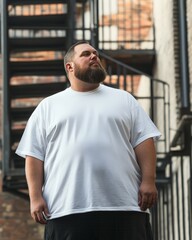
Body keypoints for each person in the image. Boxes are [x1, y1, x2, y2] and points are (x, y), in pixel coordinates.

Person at [16, 40, 161, 240]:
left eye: (95, 53)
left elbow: (144, 140)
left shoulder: (124, 99)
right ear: (70, 67)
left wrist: (149, 180)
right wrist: (35, 197)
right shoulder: (48, 107)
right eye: (85, 54)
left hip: (125, 207)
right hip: (66, 210)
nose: (94, 56)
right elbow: (34, 155)